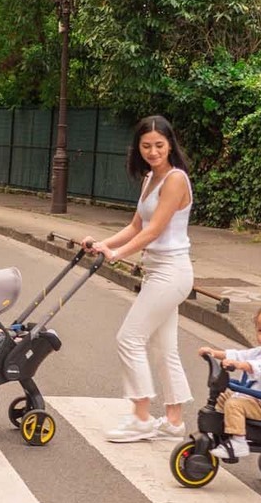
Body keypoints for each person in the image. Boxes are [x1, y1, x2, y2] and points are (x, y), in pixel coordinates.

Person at [83, 115, 194, 443]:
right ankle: (173, 423)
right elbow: (135, 226)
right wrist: (103, 244)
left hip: (172, 271)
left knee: (129, 338)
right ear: (138, 148)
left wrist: (117, 255)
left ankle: (141, 417)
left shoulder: (175, 179)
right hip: (156, 271)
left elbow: (155, 229)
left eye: (159, 145)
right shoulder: (150, 179)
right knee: (164, 348)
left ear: (170, 145)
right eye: (146, 146)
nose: (153, 152)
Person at [199, 304, 261, 460]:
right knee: (222, 397)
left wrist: (239, 365)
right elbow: (240, 355)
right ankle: (225, 430)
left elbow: (257, 367)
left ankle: (238, 442)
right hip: (253, 399)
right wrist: (214, 353)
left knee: (234, 404)